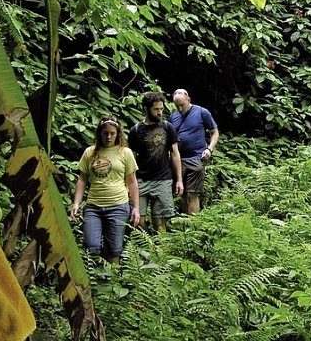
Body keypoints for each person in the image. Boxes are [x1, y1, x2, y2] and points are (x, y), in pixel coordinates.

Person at [70, 115, 140, 264]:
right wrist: (76, 204)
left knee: (114, 249)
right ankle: (94, 278)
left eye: (112, 133)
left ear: (118, 134)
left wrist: (136, 208)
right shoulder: (90, 152)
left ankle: (111, 281)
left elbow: (132, 181)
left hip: (118, 205)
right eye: (105, 133)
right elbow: (82, 180)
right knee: (92, 247)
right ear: (99, 134)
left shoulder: (125, 153)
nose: (109, 137)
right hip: (93, 206)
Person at [128, 92, 184, 232]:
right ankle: (148, 243)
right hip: (140, 179)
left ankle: (160, 250)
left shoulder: (167, 127)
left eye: (161, 109)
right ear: (146, 109)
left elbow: (175, 154)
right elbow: (131, 158)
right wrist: (128, 182)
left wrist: (179, 180)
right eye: (156, 109)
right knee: (138, 221)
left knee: (160, 222)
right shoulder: (135, 130)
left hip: (162, 179)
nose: (160, 112)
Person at [170, 89, 219, 214]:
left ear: (189, 100)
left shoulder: (202, 112)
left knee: (192, 193)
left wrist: (209, 149)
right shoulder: (173, 117)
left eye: (182, 105)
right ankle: (183, 225)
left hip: (196, 158)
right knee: (180, 193)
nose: (180, 109)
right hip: (178, 160)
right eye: (177, 106)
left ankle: (193, 225)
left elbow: (215, 132)